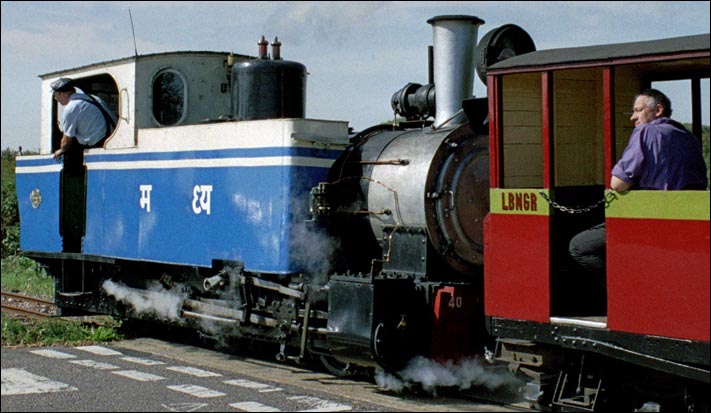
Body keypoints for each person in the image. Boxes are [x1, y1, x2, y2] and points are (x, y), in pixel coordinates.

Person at [569, 88, 708, 277]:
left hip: (651, 218)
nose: (633, 118)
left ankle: (620, 289)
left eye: (638, 110)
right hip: (688, 221)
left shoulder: (646, 131)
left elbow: (618, 183)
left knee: (580, 246)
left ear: (658, 110)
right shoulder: (690, 138)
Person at [51, 77, 117, 160]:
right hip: (113, 137)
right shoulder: (93, 98)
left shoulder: (71, 107)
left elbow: (66, 142)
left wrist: (61, 150)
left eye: (55, 95)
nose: (55, 98)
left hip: (100, 143)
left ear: (62, 94)